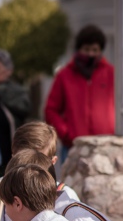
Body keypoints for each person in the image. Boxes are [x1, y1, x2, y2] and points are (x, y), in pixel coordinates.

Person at [45, 25, 115, 162]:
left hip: (105, 146)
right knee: (72, 184)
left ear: (101, 50)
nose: (90, 54)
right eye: (86, 49)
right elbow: (51, 109)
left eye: (95, 50)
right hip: (74, 147)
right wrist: (66, 134)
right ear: (78, 50)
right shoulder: (64, 76)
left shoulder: (111, 73)